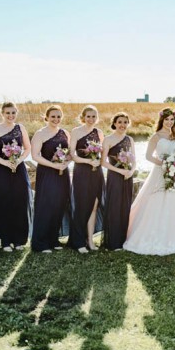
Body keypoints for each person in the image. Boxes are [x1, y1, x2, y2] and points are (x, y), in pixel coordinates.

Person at [124, 108, 175, 255]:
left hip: (174, 174)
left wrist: (174, 164)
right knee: (155, 201)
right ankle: (149, 238)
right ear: (162, 120)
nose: (170, 122)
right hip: (159, 173)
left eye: (172, 119)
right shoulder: (156, 136)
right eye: (167, 120)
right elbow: (147, 156)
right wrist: (164, 164)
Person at [0, 102, 32, 252]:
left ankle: (18, 240)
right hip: (1, 170)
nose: (11, 116)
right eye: (8, 113)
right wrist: (4, 162)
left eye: (13, 113)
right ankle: (5, 240)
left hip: (18, 169)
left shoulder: (20, 128)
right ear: (2, 113)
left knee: (19, 201)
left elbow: (27, 148)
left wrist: (18, 160)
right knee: (3, 203)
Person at [30, 105, 71, 253]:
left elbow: (70, 153)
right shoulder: (40, 134)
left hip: (62, 173)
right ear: (46, 117)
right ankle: (40, 243)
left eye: (59, 116)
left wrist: (65, 163)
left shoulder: (65, 133)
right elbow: (35, 156)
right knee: (46, 205)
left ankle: (53, 239)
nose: (56, 119)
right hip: (47, 173)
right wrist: (54, 165)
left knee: (59, 205)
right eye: (53, 116)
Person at [69, 105, 105, 253]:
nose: (91, 119)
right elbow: (72, 155)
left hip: (96, 172)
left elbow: (102, 153)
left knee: (94, 206)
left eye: (94, 116)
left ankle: (90, 240)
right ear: (83, 117)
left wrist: (97, 161)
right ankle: (78, 241)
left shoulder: (99, 132)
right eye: (88, 116)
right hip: (82, 171)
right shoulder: (76, 131)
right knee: (82, 206)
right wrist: (88, 161)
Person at [101, 112, 136, 250]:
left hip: (128, 176)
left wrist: (131, 171)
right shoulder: (108, 139)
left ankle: (123, 240)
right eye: (120, 122)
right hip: (115, 176)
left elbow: (134, 160)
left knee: (125, 206)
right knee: (114, 207)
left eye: (125, 122)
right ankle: (113, 242)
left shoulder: (130, 140)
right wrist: (120, 171)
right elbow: (103, 162)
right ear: (114, 123)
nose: (122, 125)